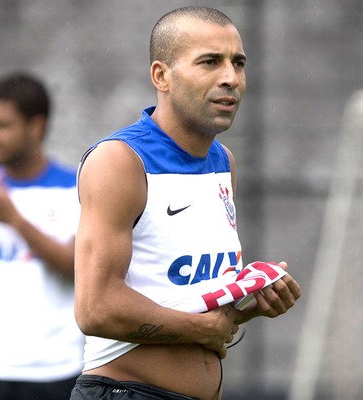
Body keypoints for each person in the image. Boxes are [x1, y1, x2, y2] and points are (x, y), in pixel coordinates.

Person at [71, 6, 301, 400]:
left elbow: (186, 299)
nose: (230, 78)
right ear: (162, 76)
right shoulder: (120, 161)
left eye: (238, 63)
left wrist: (249, 304)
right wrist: (202, 330)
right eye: (210, 62)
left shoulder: (222, 160)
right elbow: (96, 309)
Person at [0, 72, 84, 400]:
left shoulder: (76, 188)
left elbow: (77, 268)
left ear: (36, 126)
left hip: (52, 369)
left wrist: (13, 219)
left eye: (2, 125)